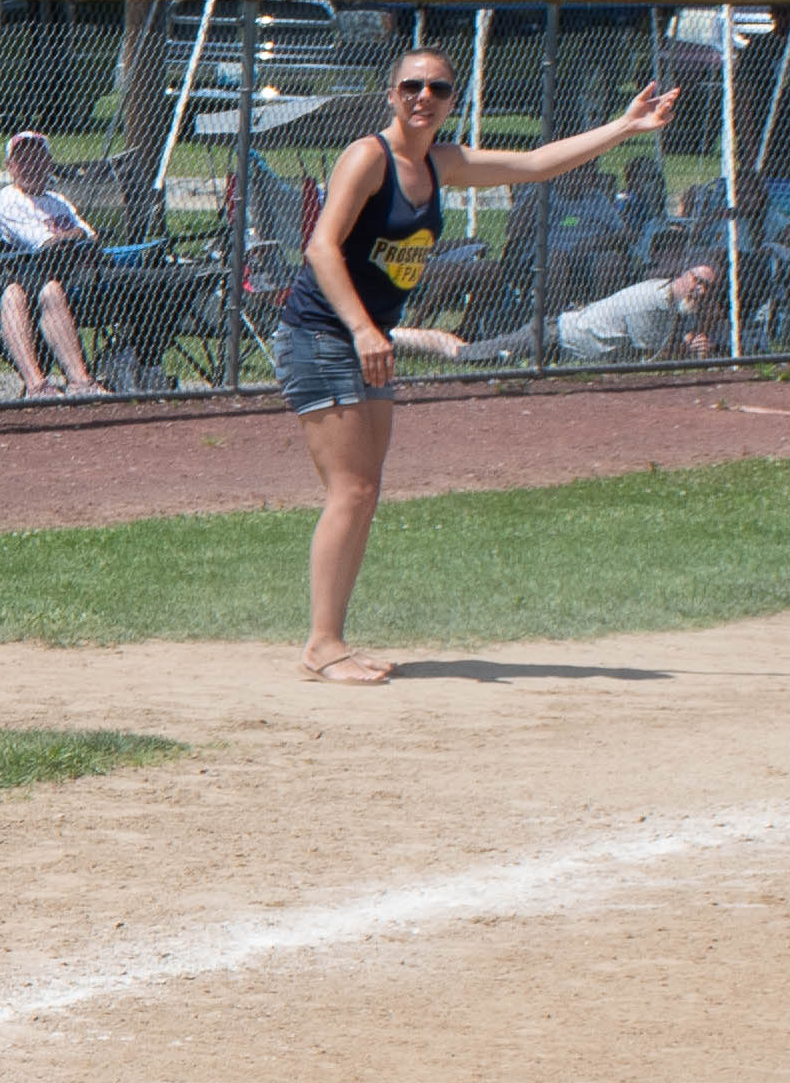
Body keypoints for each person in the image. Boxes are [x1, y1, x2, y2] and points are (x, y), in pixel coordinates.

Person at [283, 45, 676, 687]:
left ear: (450, 101)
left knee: (364, 491)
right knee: (350, 490)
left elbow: (535, 163)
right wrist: (360, 328)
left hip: (367, 337)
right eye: (411, 85)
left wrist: (625, 126)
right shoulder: (367, 157)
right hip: (326, 334)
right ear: (391, 92)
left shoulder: (441, 162)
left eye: (438, 89)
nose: (423, 97)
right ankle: (322, 644)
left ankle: (332, 639)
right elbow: (321, 248)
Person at [394, 260, 725, 369]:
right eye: (697, 282)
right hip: (551, 337)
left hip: (562, 344)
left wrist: (686, 340)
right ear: (683, 276)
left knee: (468, 352)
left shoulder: (666, 300)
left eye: (707, 288)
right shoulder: (654, 302)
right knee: (462, 355)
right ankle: (393, 337)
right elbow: (654, 355)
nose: (700, 291)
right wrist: (687, 346)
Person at [0, 127, 109, 396]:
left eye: (37, 158)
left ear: (48, 163)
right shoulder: (10, 199)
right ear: (9, 166)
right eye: (22, 160)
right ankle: (76, 381)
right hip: (28, 276)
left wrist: (71, 237)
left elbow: (91, 235)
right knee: (51, 289)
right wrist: (74, 236)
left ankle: (125, 369)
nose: (30, 166)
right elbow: (43, 245)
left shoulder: (58, 200)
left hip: (76, 274)